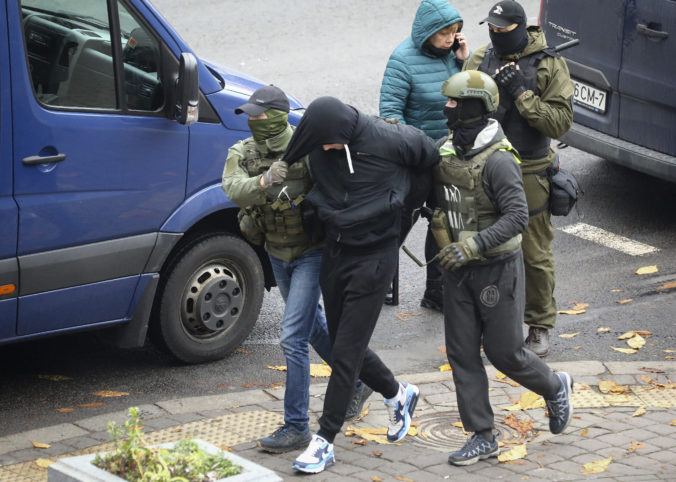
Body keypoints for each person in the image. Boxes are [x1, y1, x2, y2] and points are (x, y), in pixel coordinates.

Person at [280, 96, 438, 474]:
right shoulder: (321, 148)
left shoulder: (392, 139)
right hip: (336, 254)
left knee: (346, 355)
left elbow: (431, 158)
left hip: (376, 257)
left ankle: (324, 440)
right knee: (342, 344)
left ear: (344, 131)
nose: (325, 149)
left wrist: (406, 210)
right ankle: (398, 394)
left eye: (329, 142)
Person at [432, 70, 573, 466]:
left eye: (454, 103)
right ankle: (482, 434)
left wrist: (473, 246)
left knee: (505, 352)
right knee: (461, 353)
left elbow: (517, 217)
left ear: (474, 106)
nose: (446, 109)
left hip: (497, 269)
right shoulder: (446, 151)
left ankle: (554, 385)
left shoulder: (499, 161)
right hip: (457, 270)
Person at [221, 85, 373, 455]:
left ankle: (296, 426)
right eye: (250, 116)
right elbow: (231, 189)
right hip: (276, 252)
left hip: (311, 252)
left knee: (292, 337)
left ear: (276, 116)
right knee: (311, 325)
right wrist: (264, 181)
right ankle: (356, 383)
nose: (253, 121)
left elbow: (343, 186)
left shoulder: (308, 149)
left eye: (259, 115)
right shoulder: (243, 152)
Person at [463, 0, 575, 357]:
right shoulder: (481, 58)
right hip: (485, 164)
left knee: (533, 253)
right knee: (482, 248)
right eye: (491, 30)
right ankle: (492, 322)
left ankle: (539, 325)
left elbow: (559, 123)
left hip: (528, 168)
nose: (496, 36)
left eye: (503, 30)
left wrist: (521, 94)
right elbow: (457, 108)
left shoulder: (549, 64)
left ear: (520, 28)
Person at [379, 0, 469, 312]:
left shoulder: (452, 58)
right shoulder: (402, 60)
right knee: (397, 224)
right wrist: (415, 150)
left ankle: (436, 292)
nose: (450, 38)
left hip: (448, 157)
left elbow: (466, 98)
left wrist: (462, 62)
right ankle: (375, 285)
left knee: (441, 223)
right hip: (414, 162)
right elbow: (390, 115)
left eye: (454, 32)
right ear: (428, 32)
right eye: (444, 33)